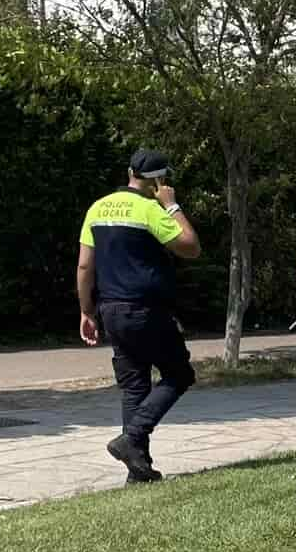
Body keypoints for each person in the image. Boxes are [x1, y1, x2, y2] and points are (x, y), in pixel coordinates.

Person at [77, 149, 202, 484]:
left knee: (134, 387)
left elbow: (85, 265)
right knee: (179, 375)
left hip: (111, 310)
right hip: (146, 309)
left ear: (130, 171)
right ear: (158, 179)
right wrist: (172, 205)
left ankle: (139, 470)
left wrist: (86, 311)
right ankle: (132, 437)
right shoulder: (149, 209)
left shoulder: (98, 208)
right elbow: (190, 246)